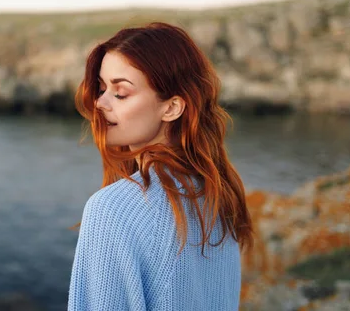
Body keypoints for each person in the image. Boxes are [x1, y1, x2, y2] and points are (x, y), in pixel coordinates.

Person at [68, 22, 254, 310]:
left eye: (120, 92)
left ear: (171, 108)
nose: (99, 102)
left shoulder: (112, 210)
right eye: (102, 88)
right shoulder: (217, 194)